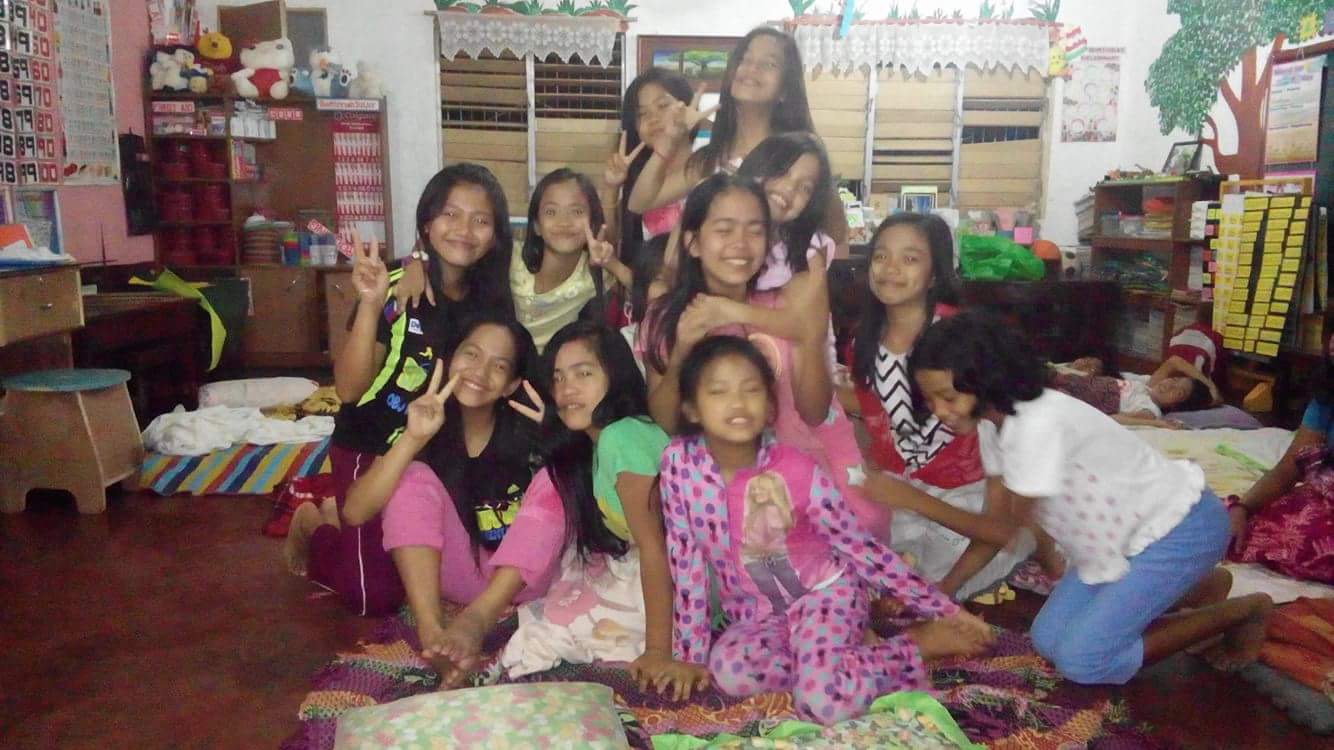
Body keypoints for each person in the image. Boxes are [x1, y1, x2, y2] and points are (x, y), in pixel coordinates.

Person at [910, 311, 1275, 682]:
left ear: (985, 381)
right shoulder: (993, 428)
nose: (939, 412)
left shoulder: (1034, 424)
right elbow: (994, 527)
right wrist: (944, 592)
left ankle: (1245, 611)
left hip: (1181, 529)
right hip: (1119, 541)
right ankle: (1202, 586)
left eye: (947, 398)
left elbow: (1003, 530)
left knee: (1084, 661)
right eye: (931, 400)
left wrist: (910, 499)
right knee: (1047, 640)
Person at [660, 335, 993, 724]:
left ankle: (911, 648)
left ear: (770, 406)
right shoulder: (678, 465)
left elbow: (860, 548)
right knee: (729, 672)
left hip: (826, 596)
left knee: (822, 703)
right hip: (758, 614)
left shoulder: (797, 469)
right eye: (718, 392)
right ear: (691, 408)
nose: (737, 403)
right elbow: (686, 560)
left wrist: (944, 610)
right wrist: (688, 658)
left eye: (751, 390)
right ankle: (834, 663)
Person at [429, 321, 704, 697]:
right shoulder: (599, 441)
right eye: (558, 377)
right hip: (664, 571)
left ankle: (489, 656)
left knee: (559, 626)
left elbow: (656, 547)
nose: (567, 389)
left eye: (583, 374)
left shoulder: (623, 437)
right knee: (562, 610)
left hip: (691, 581)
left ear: (616, 376)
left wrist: (658, 652)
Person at [289, 163, 514, 616]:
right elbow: (348, 389)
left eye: (481, 219)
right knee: (372, 597)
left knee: (440, 567)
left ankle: (342, 517)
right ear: (427, 223)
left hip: (436, 451)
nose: (464, 230)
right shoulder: (391, 284)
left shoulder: (492, 303)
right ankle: (314, 524)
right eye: (450, 214)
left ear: (495, 236)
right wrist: (372, 305)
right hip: (370, 445)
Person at [640, 173, 889, 537]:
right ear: (693, 242)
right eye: (724, 229)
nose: (741, 244)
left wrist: (808, 328)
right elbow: (668, 420)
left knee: (863, 527)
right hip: (728, 476)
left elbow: (815, 412)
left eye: (755, 230)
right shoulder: (667, 316)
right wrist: (681, 352)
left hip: (811, 461)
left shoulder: (783, 306)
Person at [334, 314, 554, 674]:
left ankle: (475, 622)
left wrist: (558, 441)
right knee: (412, 476)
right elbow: (355, 511)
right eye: (472, 354)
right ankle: (432, 632)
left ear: (512, 384)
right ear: (451, 358)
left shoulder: (531, 430)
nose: (480, 372)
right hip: (458, 576)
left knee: (555, 479)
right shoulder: (422, 417)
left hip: (522, 582)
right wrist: (413, 437)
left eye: (499, 365)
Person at [848, 213, 1039, 599]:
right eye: (880, 256)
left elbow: (1000, 422)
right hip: (901, 484)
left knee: (932, 576)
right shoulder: (863, 340)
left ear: (935, 273)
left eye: (910, 258)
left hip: (966, 489)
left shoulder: (958, 336)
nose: (891, 269)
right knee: (859, 563)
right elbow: (873, 414)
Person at [627, 27, 845, 255]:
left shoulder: (798, 157)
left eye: (769, 63)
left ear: (785, 90)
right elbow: (639, 203)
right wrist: (668, 143)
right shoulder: (711, 159)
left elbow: (837, 232)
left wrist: (813, 154)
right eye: (745, 59)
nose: (752, 68)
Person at [1225, 334, 1334, 583]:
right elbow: (1289, 468)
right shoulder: (1327, 397)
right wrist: (1243, 508)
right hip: (1323, 499)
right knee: (1224, 524)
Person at [512, 168, 627, 352]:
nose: (564, 222)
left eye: (576, 211)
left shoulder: (592, 273)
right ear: (536, 226)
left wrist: (612, 264)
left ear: (592, 223)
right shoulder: (513, 260)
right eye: (551, 212)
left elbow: (652, 297)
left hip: (554, 365)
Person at [603, 68, 699, 266]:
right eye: (642, 114)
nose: (653, 119)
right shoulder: (639, 178)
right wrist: (611, 188)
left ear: (687, 107)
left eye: (663, 105)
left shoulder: (707, 166)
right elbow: (609, 244)